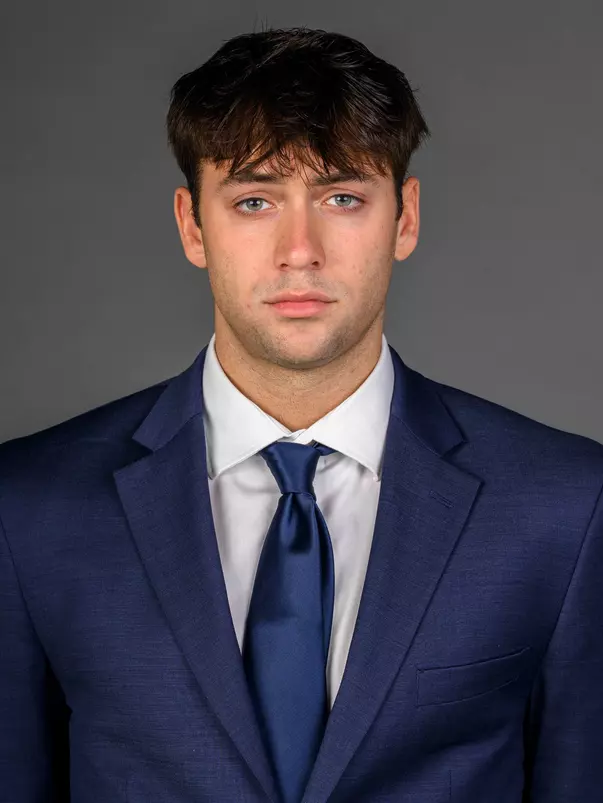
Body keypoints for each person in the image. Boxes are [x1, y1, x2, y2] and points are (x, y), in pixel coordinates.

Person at [1, 24, 602, 803]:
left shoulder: (564, 506)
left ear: (404, 217)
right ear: (192, 225)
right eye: (254, 200)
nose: (299, 250)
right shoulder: (28, 510)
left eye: (342, 197)